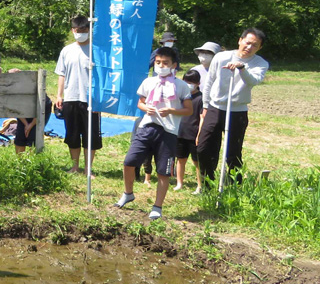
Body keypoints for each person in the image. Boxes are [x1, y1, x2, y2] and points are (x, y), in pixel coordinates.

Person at [115, 47, 193, 220]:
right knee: (129, 162)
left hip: (168, 132)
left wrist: (172, 110)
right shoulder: (148, 82)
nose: (161, 66)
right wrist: (146, 108)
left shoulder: (181, 86)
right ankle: (128, 193)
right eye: (158, 63)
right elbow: (140, 103)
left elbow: (188, 110)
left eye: (165, 63)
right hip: (147, 127)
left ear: (174, 65)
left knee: (163, 172)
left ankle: (157, 206)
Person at [196, 28, 268, 183]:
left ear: (259, 48)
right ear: (240, 40)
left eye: (254, 45)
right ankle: (208, 181)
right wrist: (206, 105)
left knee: (233, 153)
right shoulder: (221, 57)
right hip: (215, 107)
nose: (249, 47)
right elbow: (209, 82)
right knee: (203, 148)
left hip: (238, 110)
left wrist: (241, 68)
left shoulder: (260, 64)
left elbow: (253, 81)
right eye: (247, 43)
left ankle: (234, 184)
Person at [54, 15, 101, 174]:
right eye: (77, 30)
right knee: (72, 134)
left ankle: (88, 168)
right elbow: (62, 74)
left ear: (89, 30)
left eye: (83, 30)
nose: (80, 32)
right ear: (72, 30)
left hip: (91, 100)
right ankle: (75, 166)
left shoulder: (97, 51)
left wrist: (100, 99)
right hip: (70, 98)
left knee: (91, 136)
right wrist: (59, 95)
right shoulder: (66, 51)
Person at [175, 69, 203, 194]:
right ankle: (179, 183)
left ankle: (200, 186)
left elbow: (202, 118)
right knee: (180, 159)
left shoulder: (201, 98)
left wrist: (199, 134)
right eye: (186, 81)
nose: (189, 85)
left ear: (198, 83)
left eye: (192, 82)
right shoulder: (181, 97)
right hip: (180, 132)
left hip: (194, 134)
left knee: (197, 162)